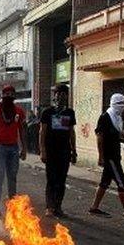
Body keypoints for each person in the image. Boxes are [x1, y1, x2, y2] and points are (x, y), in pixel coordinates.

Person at [89, 94, 124, 219]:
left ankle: (94, 207)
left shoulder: (117, 118)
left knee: (104, 182)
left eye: (123, 104)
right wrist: (100, 156)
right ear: (112, 104)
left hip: (116, 155)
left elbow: (116, 136)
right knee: (122, 183)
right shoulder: (105, 117)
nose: (122, 107)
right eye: (119, 104)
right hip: (109, 156)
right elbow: (100, 138)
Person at [0, 85, 27, 216]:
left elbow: (21, 130)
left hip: (14, 148)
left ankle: (12, 207)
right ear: (2, 96)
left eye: (11, 94)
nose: (9, 96)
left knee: (12, 178)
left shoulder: (19, 112)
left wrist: (24, 149)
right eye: (7, 94)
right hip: (0, 148)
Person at [40, 84, 76, 218]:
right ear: (54, 96)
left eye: (64, 94)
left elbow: (72, 132)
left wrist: (74, 150)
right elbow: (42, 132)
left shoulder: (70, 113)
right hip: (50, 151)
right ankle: (49, 207)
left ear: (67, 96)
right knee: (51, 179)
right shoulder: (47, 112)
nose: (61, 96)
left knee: (61, 180)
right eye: (58, 94)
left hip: (64, 152)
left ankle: (58, 206)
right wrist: (43, 150)